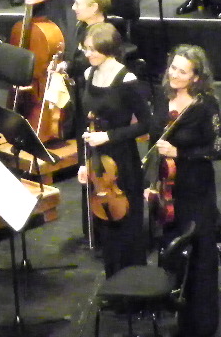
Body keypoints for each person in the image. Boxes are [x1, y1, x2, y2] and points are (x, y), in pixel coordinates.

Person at [147, 45, 221, 337]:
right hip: (168, 187)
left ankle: (201, 323)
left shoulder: (206, 105)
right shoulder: (162, 96)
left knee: (199, 253)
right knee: (172, 248)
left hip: (196, 188)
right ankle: (175, 305)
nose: (175, 74)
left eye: (183, 71)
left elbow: (216, 150)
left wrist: (179, 153)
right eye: (173, 68)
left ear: (196, 77)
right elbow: (154, 142)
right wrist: (150, 184)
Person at [76, 23, 149, 277]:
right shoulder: (88, 75)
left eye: (93, 50)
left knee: (127, 226)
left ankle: (135, 282)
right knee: (106, 226)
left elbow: (147, 124)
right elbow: (83, 122)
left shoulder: (127, 80)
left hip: (122, 161)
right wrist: (83, 162)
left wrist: (109, 136)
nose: (88, 54)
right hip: (97, 161)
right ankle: (113, 281)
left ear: (108, 50)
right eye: (86, 49)